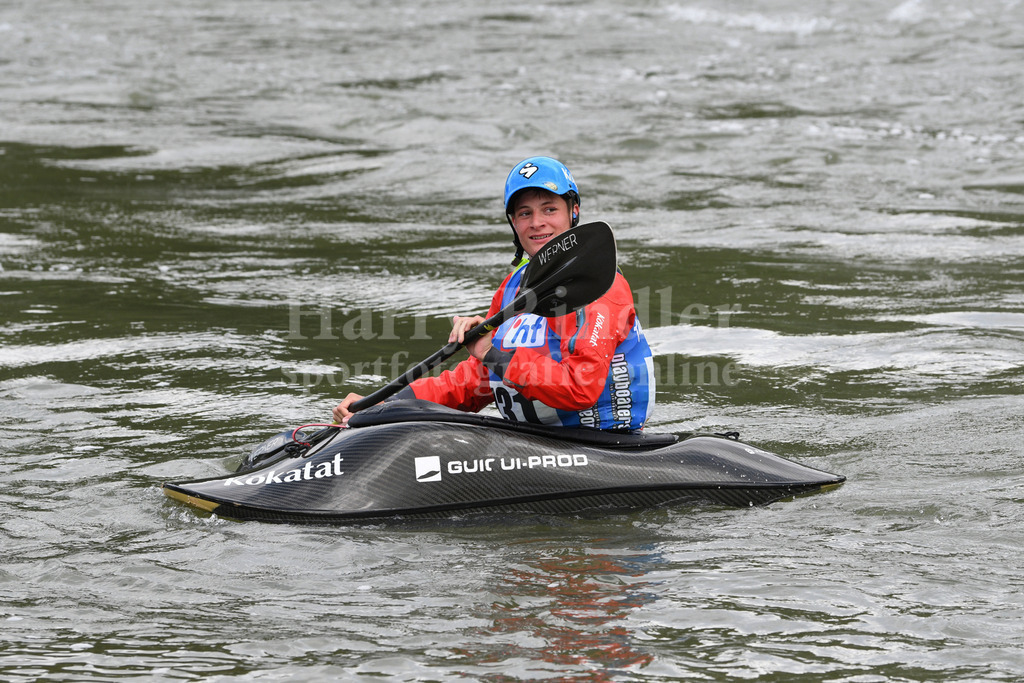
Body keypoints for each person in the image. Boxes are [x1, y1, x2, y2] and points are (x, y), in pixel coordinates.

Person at [333, 156, 655, 431]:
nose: (537, 223)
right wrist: (382, 407)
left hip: (604, 446)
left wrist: (493, 353)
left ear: (573, 212)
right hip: (535, 444)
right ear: (514, 223)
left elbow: (580, 386)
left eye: (549, 209)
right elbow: (474, 383)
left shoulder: (599, 287)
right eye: (525, 213)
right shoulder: (513, 287)